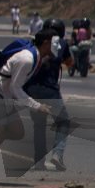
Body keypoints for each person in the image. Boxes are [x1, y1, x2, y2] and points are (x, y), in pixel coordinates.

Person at [0, 29, 56, 185]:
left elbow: (16, 87)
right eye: (55, 42)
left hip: (4, 98)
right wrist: (37, 106)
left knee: (16, 132)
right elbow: (15, 88)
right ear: (46, 43)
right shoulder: (27, 59)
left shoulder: (35, 57)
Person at [23, 18, 73, 171]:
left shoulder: (35, 43)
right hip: (50, 92)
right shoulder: (62, 44)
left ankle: (39, 161)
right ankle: (57, 155)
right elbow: (70, 63)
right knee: (63, 122)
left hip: (31, 90)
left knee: (39, 126)